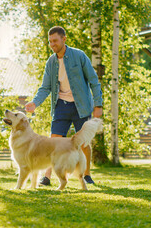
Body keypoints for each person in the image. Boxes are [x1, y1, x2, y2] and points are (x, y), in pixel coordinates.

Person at [25, 26, 103, 185]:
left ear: (63, 39)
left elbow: (94, 81)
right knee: (53, 141)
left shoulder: (79, 56)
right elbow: (45, 87)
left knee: (83, 143)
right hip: (61, 105)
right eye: (50, 42)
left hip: (81, 105)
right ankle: (47, 177)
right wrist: (35, 102)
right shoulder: (51, 62)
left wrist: (98, 104)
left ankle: (86, 175)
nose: (52, 44)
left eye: (55, 41)